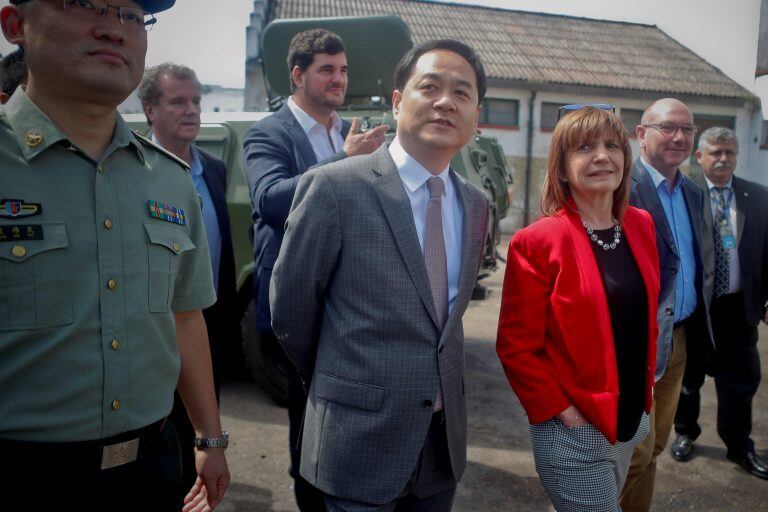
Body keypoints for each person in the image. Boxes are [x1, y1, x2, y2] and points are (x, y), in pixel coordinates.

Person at [0, 1, 229, 510]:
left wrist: (209, 438)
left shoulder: (170, 180)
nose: (112, 27)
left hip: (150, 471)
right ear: (16, 25)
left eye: (131, 15)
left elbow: (185, 316)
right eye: (83, 4)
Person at [270, 39, 490, 511]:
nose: (445, 102)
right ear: (396, 101)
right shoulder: (335, 187)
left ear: (476, 114)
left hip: (440, 449)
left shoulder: (476, 204)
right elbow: (290, 311)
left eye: (462, 93)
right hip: (357, 440)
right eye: (429, 87)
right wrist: (342, 381)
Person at [242, 27, 388, 511]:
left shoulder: (344, 130)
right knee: (307, 422)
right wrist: (342, 164)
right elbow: (268, 201)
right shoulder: (270, 132)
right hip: (297, 303)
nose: (339, 78)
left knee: (340, 414)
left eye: (343, 70)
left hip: (347, 303)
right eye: (327, 69)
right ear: (298, 75)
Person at [496, 105, 659, 511]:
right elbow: (516, 347)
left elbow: (643, 318)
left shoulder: (640, 224)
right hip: (576, 430)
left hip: (630, 424)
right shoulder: (538, 241)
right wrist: (565, 413)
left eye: (612, 146)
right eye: (585, 147)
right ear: (563, 169)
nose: (602, 156)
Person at [138, 62, 241, 497]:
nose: (192, 110)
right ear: (150, 111)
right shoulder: (134, 171)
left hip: (209, 321)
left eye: (196, 100)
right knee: (164, 440)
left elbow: (224, 252)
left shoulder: (213, 168)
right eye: (178, 101)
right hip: (158, 328)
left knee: (204, 419)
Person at [621, 98, 713, 512]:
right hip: (637, 342)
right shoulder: (621, 185)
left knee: (656, 444)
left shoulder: (693, 191)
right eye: (667, 128)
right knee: (632, 450)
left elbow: (700, 261)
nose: (679, 137)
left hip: (679, 341)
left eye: (687, 129)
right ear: (641, 134)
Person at [670, 127, 768, 479]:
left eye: (729, 152)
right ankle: (685, 432)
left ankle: (739, 446)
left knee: (741, 382)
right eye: (716, 152)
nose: (724, 158)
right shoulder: (686, 196)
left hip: (740, 311)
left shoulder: (758, 197)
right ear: (700, 157)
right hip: (697, 312)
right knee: (688, 378)